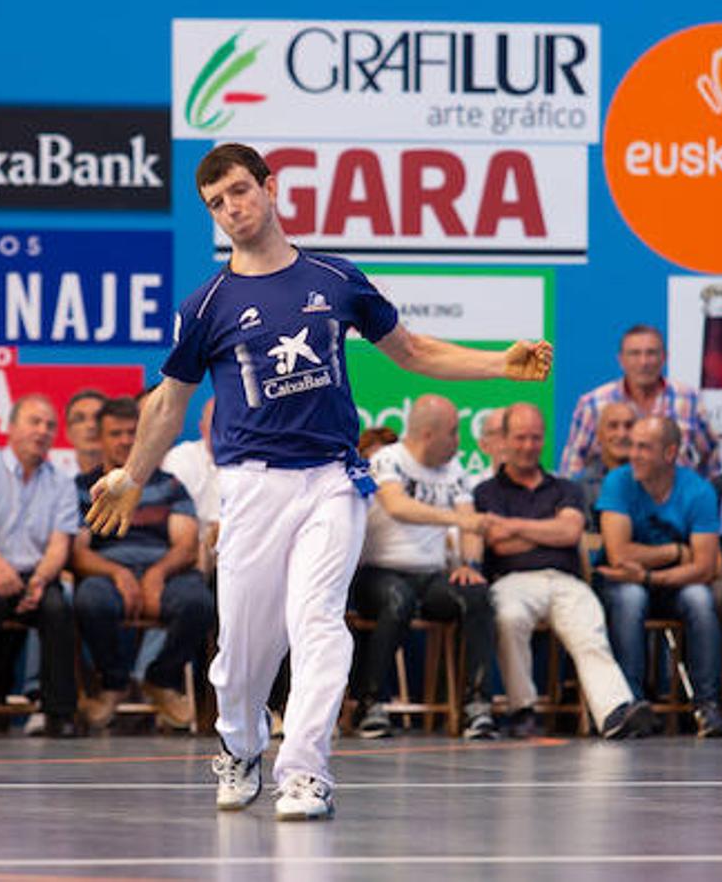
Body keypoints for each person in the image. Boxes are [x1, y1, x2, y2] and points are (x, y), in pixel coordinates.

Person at [85, 143, 553, 821]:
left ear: (270, 189)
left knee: (318, 622)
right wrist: (132, 473)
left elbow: (413, 350)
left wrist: (497, 366)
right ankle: (240, 745)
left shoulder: (335, 278)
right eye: (215, 203)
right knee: (244, 645)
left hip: (332, 480)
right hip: (250, 486)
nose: (231, 209)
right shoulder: (208, 304)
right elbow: (167, 401)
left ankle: (304, 771)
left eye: (240, 191)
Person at [475, 404, 653, 740]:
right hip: (512, 581)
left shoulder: (567, 488)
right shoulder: (487, 492)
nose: (528, 445)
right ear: (504, 440)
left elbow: (570, 533)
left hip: (565, 580)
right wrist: (548, 530)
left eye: (535, 438)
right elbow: (498, 543)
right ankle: (522, 709)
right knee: (509, 617)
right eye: (520, 438)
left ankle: (614, 712)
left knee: (589, 627)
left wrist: (515, 527)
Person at [348, 395, 499, 741]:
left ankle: (476, 706)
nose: (459, 441)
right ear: (429, 435)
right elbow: (397, 506)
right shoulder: (387, 460)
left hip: (430, 574)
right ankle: (370, 703)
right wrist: (456, 518)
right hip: (378, 571)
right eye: (454, 433)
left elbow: (470, 525)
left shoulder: (455, 470)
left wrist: (468, 563)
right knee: (396, 601)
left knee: (475, 595)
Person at [70, 397, 213, 732]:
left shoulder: (169, 484)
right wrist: (117, 573)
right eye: (115, 433)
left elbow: (186, 543)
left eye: (132, 433)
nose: (124, 441)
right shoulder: (82, 487)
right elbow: (77, 553)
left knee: (199, 603)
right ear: (100, 439)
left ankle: (160, 679)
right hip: (106, 574)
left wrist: (156, 575)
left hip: (166, 571)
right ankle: (115, 683)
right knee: (89, 601)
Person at [0, 394, 80, 739]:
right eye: (34, 422)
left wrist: (40, 579)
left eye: (50, 425)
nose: (42, 431)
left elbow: (60, 543)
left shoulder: (62, 482)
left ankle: (59, 714)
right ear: (11, 428)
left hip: (34, 572)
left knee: (57, 607)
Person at [594, 416, 722, 736]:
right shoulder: (618, 481)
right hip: (622, 583)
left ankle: (706, 705)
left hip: (669, 584)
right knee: (630, 596)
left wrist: (652, 577)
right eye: (632, 446)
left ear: (669, 454)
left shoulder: (698, 491)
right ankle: (631, 703)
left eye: (644, 447)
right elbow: (619, 555)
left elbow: (706, 566)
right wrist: (675, 553)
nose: (633, 454)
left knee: (699, 597)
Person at [560, 325, 717, 478]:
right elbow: (573, 463)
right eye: (634, 354)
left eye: (651, 353)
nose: (643, 362)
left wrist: (698, 494)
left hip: (675, 501)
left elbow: (711, 455)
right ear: (621, 360)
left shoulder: (689, 399)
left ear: (664, 358)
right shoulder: (594, 404)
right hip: (611, 501)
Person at [161, 396, 221, 577]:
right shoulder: (180, 459)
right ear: (203, 429)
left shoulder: (263, 462)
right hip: (194, 551)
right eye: (215, 426)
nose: (224, 433)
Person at [572, 402, 637, 534]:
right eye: (613, 426)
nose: (622, 434)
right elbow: (586, 542)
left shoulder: (654, 481)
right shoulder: (581, 488)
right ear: (599, 434)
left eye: (629, 426)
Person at [65, 389, 109, 476]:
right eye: (80, 419)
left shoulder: (129, 477)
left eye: (98, 418)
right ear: (68, 433)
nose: (91, 426)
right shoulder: (53, 480)